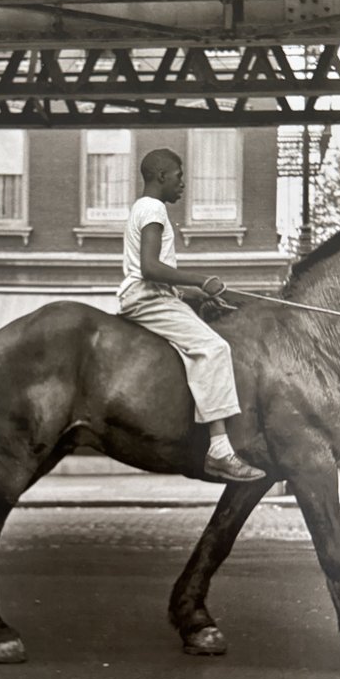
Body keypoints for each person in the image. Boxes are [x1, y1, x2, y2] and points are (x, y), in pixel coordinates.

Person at [117, 147, 265, 483]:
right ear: (161, 176)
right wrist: (201, 280)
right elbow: (151, 268)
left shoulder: (143, 208)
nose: (183, 184)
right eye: (180, 176)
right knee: (214, 349)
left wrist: (195, 295)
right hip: (147, 298)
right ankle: (219, 449)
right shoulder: (154, 208)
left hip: (149, 295)